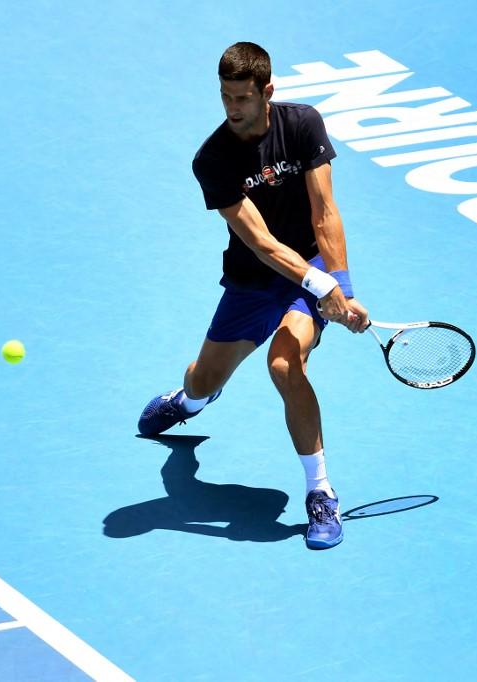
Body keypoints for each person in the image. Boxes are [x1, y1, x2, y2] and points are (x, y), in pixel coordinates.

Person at [137, 41, 369, 550]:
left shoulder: (303, 124)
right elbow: (261, 243)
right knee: (202, 380)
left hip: (307, 267)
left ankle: (321, 492)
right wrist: (322, 285)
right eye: (224, 97)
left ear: (267, 90)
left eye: (242, 97)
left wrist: (340, 285)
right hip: (253, 276)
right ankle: (190, 403)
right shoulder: (213, 159)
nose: (233, 109)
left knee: (286, 365)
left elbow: (324, 210)